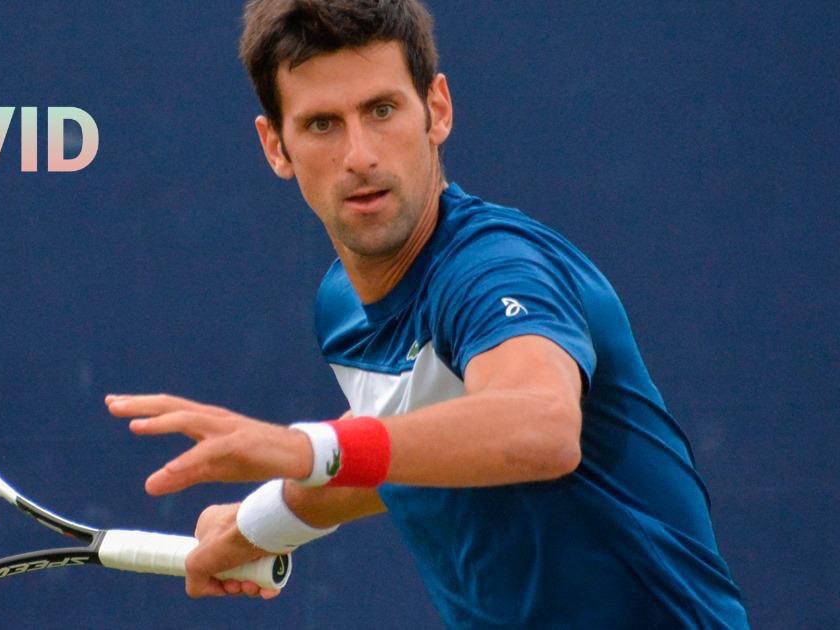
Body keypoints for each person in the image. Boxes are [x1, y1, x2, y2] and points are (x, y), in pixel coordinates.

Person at [107, 1, 748, 626]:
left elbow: (541, 427)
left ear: (436, 110)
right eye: (322, 124)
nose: (360, 155)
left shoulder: (496, 269)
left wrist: (303, 447)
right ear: (276, 146)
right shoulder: (341, 305)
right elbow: (397, 450)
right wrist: (258, 525)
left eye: (382, 110)